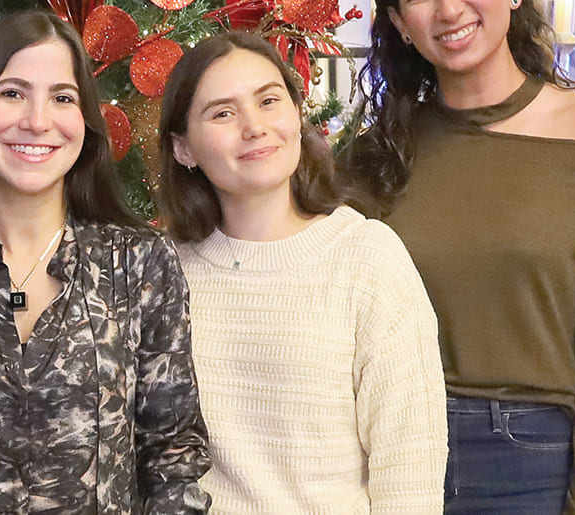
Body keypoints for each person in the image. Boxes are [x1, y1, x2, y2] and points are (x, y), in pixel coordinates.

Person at [342, 0, 575, 513]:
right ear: (398, 25)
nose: (449, 8)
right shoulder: (374, 153)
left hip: (531, 463)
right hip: (383, 454)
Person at [0, 9, 211, 513]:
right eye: (12, 93)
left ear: (84, 123)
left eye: (62, 98)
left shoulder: (139, 264)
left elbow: (172, 456)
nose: (38, 121)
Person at [157, 31, 446, 512]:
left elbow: (409, 465)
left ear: (296, 113)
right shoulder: (165, 271)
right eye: (222, 113)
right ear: (184, 148)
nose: (254, 127)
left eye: (269, 101)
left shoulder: (366, 257)